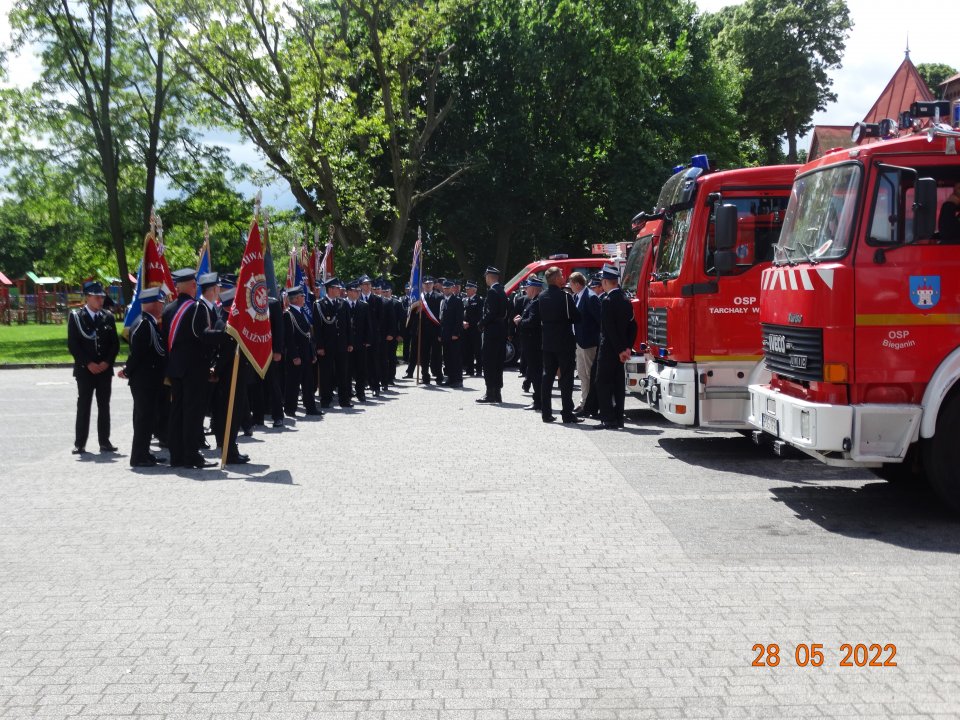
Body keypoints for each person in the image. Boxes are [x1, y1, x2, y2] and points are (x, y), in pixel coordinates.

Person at [165, 269, 222, 468]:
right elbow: (202, 335)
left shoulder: (168, 309)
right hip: (194, 369)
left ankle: (177, 455)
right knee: (192, 413)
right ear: (192, 286)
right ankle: (191, 455)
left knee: (177, 412)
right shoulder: (195, 308)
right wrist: (226, 334)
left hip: (175, 368)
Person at [67, 280, 120, 455]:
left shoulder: (108, 317)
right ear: (88, 298)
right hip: (85, 370)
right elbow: (74, 344)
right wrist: (88, 363)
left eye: (102, 297)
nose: (100, 300)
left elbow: (114, 344)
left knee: (104, 405)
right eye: (97, 297)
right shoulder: (76, 317)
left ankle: (104, 441)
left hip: (104, 370)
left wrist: (107, 362)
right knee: (84, 405)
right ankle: (80, 443)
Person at [122, 286, 166, 467]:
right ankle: (138, 456)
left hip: (149, 379)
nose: (163, 306)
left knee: (147, 419)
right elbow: (137, 354)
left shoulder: (147, 322)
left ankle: (144, 453)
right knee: (143, 419)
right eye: (161, 302)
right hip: (144, 380)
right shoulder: (144, 324)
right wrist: (127, 371)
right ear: (154, 304)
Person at [211, 285, 251, 464]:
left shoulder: (223, 320)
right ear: (231, 306)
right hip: (230, 376)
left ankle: (227, 446)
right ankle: (230, 451)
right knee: (231, 414)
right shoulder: (228, 324)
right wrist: (216, 371)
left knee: (227, 413)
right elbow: (227, 353)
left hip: (230, 374)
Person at [594, 264, 636, 430]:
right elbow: (633, 326)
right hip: (621, 350)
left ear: (605, 282)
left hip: (610, 350)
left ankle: (608, 419)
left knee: (602, 383)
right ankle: (619, 418)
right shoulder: (626, 300)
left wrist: (620, 350)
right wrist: (627, 348)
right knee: (618, 384)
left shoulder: (607, 301)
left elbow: (609, 330)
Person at [538, 266, 581, 424]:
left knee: (547, 376)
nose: (564, 277)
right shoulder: (565, 297)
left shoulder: (541, 296)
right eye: (562, 275)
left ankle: (546, 412)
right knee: (566, 378)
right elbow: (576, 317)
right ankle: (567, 413)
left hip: (548, 342)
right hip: (564, 342)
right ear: (556, 279)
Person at [313, 277, 353, 408]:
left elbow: (348, 325)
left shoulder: (343, 304)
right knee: (326, 373)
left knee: (343, 373)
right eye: (337, 288)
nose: (339, 291)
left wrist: (349, 343)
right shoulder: (319, 305)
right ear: (330, 289)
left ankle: (344, 399)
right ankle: (326, 399)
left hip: (341, 344)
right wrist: (319, 346)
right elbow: (317, 329)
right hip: (327, 345)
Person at [283, 285, 322, 417]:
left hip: (305, 353)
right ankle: (290, 408)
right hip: (297, 355)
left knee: (308, 382)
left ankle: (310, 408)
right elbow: (289, 338)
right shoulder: (288, 315)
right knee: (293, 384)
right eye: (302, 296)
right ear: (294, 299)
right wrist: (294, 356)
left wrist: (312, 353)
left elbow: (308, 335)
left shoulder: (300, 312)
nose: (304, 297)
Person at [568, 271, 601, 413]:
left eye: (571, 284)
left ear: (577, 284)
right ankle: (584, 401)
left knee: (589, 374)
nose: (570, 287)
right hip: (579, 341)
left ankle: (591, 404)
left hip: (588, 343)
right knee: (582, 373)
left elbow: (599, 320)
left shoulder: (590, 297)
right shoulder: (577, 297)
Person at [477, 266, 507, 403]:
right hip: (500, 331)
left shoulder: (493, 292)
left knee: (489, 362)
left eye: (486, 276)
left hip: (492, 331)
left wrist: (481, 323)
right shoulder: (501, 291)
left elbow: (491, 312)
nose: (485, 279)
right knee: (497, 363)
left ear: (489, 276)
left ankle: (490, 393)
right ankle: (497, 393)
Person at [515, 278, 543, 411]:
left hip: (534, 343)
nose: (526, 290)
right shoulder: (533, 301)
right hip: (530, 343)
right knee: (534, 371)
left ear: (534, 288)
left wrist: (520, 321)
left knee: (536, 373)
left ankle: (538, 400)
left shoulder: (536, 302)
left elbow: (532, 322)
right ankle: (538, 399)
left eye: (528, 287)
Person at [345, 280, 370, 402]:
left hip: (360, 342)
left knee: (361, 369)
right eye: (355, 291)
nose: (358, 293)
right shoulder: (342, 304)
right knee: (347, 369)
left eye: (359, 291)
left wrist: (367, 340)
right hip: (346, 344)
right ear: (349, 292)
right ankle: (348, 392)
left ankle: (361, 392)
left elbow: (367, 324)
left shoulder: (364, 305)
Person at [359, 275, 384, 396]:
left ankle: (375, 386)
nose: (367, 286)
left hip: (373, 337)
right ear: (360, 286)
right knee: (360, 363)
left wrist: (372, 334)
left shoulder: (377, 300)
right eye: (365, 284)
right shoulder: (356, 298)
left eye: (369, 284)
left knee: (374, 362)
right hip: (359, 337)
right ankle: (361, 387)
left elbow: (380, 319)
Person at [439, 279, 464, 387]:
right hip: (445, 334)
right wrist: (440, 334)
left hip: (454, 335)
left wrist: (456, 333)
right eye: (444, 288)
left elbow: (459, 319)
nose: (446, 290)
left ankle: (458, 380)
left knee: (455, 358)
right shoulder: (443, 301)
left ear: (452, 288)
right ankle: (450, 378)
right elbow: (441, 319)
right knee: (447, 357)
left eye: (448, 288)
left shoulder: (457, 300)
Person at [462, 281, 483, 376]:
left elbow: (480, 315)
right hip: (466, 329)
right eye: (466, 289)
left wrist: (470, 323)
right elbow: (463, 314)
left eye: (468, 289)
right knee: (467, 350)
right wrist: (463, 322)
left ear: (474, 290)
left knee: (477, 350)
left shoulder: (479, 300)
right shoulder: (464, 300)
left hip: (475, 329)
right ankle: (469, 369)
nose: (467, 291)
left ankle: (479, 370)